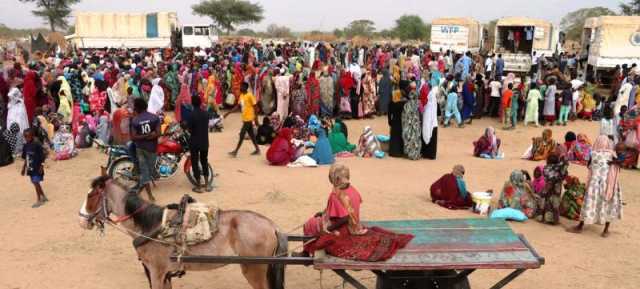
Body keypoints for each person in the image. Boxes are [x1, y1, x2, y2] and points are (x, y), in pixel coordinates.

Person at [300, 164, 413, 260]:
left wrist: (327, 230)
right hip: (354, 226)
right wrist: (323, 213)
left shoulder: (336, 194)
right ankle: (309, 250)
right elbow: (345, 209)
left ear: (336, 179)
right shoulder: (353, 190)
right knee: (317, 221)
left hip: (344, 229)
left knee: (310, 224)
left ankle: (307, 252)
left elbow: (344, 218)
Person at [568, 136, 622, 237]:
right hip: (608, 184)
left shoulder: (593, 153)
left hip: (594, 184)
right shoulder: (612, 154)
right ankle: (605, 230)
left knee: (588, 203)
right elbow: (619, 165)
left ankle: (580, 226)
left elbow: (589, 166)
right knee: (607, 204)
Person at [130, 98, 160, 201]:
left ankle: (142, 190)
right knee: (148, 171)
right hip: (152, 149)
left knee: (145, 171)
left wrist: (142, 136)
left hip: (140, 148)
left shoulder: (135, 120)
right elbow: (157, 134)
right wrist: (148, 135)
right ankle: (149, 195)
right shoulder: (155, 118)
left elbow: (134, 137)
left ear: (137, 108)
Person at [536, 146, 569, 225]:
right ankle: (554, 220)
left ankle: (544, 218)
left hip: (547, 188)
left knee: (546, 202)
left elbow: (546, 175)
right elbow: (565, 166)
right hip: (556, 190)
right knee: (555, 204)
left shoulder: (546, 168)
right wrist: (563, 156)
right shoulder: (559, 170)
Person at [226, 82, 261, 157]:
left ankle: (235, 151)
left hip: (249, 118)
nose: (240, 88)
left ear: (245, 87)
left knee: (242, 134)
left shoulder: (250, 96)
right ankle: (257, 150)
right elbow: (238, 106)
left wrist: (256, 119)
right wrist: (229, 113)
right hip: (244, 118)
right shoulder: (241, 96)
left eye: (241, 87)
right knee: (251, 135)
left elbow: (256, 107)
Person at [185, 95, 212, 193]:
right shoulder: (206, 113)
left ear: (192, 103)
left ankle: (199, 186)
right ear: (200, 103)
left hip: (194, 142)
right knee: (204, 161)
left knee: (195, 162)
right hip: (205, 141)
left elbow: (189, 129)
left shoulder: (191, 115)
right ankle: (207, 185)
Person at [21, 128, 48, 208]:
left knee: (36, 183)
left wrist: (41, 166)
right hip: (30, 168)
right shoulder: (25, 146)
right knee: (35, 183)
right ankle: (43, 197)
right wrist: (23, 168)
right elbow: (26, 157)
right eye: (25, 136)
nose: (26, 138)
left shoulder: (37, 145)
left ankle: (39, 200)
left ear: (32, 136)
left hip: (37, 167)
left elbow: (43, 156)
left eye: (28, 136)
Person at [402, 83, 422, 160]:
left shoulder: (406, 105)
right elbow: (420, 113)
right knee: (416, 140)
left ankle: (410, 154)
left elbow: (404, 116)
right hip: (416, 125)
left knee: (409, 139)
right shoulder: (418, 104)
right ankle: (416, 154)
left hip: (409, 125)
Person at [421, 88, 438, 159]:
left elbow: (427, 119)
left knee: (428, 138)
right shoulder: (433, 104)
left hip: (430, 125)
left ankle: (427, 154)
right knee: (433, 141)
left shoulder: (428, 106)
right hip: (434, 125)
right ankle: (431, 155)